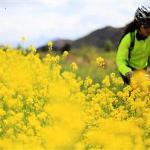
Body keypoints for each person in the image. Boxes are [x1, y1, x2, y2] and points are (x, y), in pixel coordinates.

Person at [116, 6, 150, 84]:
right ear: (138, 25)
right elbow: (120, 60)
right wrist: (128, 72)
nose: (149, 29)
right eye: (146, 26)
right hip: (129, 71)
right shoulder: (128, 39)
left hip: (143, 70)